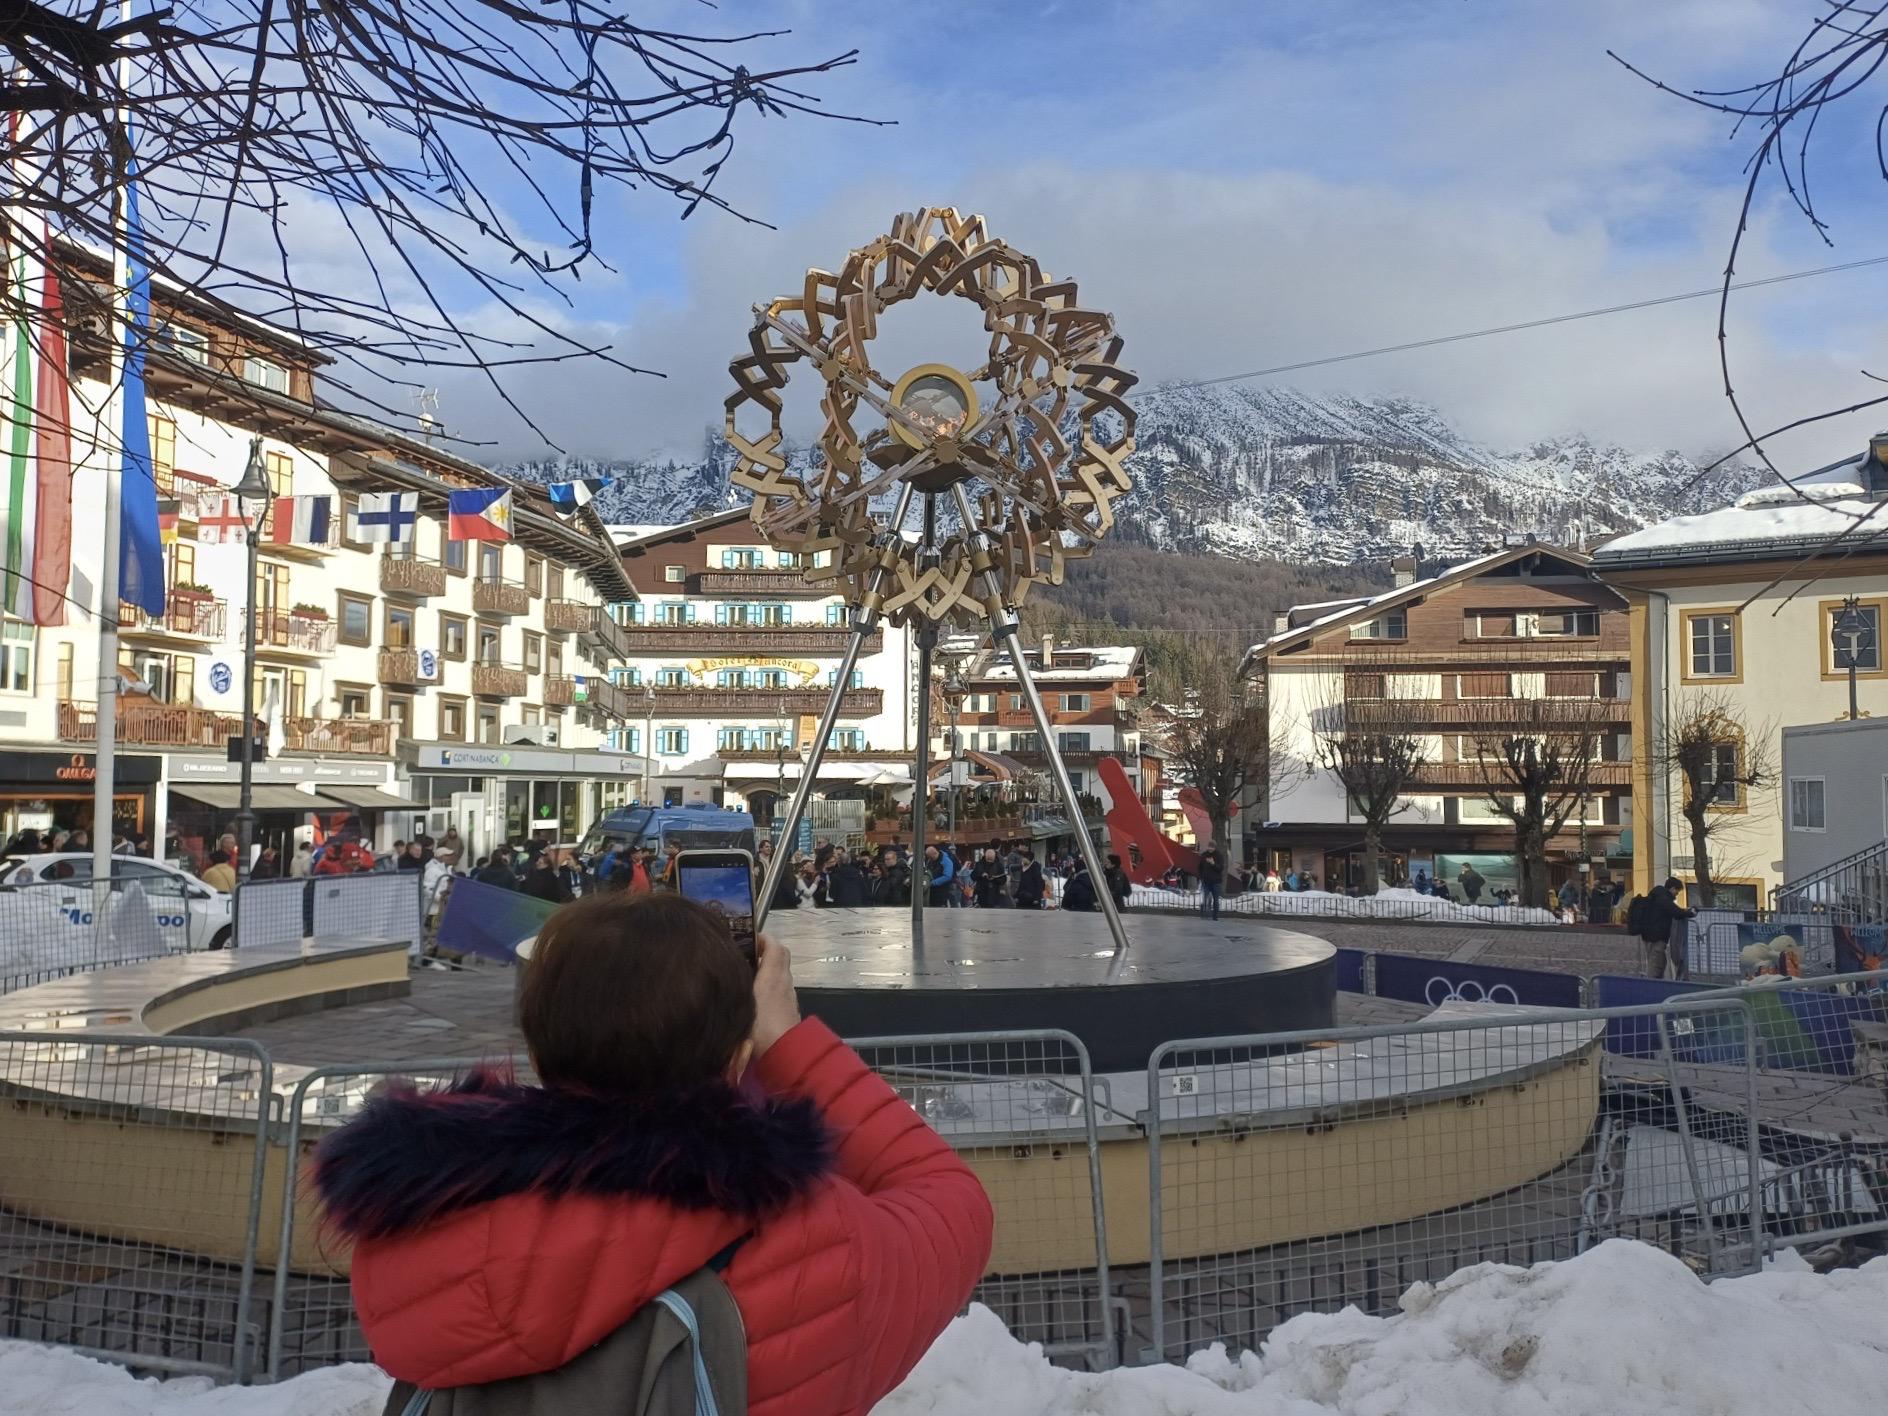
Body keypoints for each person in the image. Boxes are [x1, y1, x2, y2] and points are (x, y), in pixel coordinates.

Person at [312, 893, 993, 1416]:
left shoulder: (425, 1235)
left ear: (540, 1053)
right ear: (736, 1055)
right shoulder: (813, 1246)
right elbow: (949, 1198)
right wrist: (789, 1040)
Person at [1639, 876, 1696, 980]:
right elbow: (1676, 912)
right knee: (1656, 963)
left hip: (1651, 934)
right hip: (1656, 936)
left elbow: (1674, 911)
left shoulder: (1658, 896)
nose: (1677, 894)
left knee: (1660, 961)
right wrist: (1690, 913)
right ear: (1672, 888)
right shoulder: (1664, 898)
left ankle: (1656, 982)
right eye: (1677, 891)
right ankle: (1652, 985)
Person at [923, 842, 954, 908]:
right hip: (932, 891)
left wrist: (932, 883)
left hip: (942, 892)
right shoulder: (930, 861)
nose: (929, 859)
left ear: (934, 854)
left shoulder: (946, 861)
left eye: (930, 857)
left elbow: (947, 876)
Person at [1198, 848, 1224, 921]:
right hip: (1206, 881)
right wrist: (1201, 877)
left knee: (1216, 900)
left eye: (1212, 847)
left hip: (1216, 882)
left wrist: (1213, 864)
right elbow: (1200, 867)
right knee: (1205, 898)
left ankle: (1215, 916)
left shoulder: (1219, 856)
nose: (1210, 848)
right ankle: (1204, 915)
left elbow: (1220, 868)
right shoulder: (1204, 855)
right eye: (1209, 846)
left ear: (1215, 848)